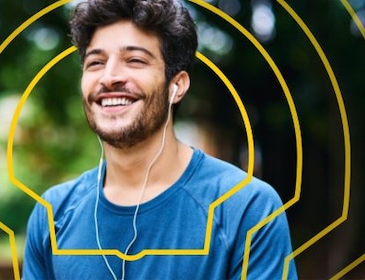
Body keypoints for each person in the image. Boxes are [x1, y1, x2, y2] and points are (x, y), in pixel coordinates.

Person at [22, 0, 297, 279]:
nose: (110, 77)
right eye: (96, 62)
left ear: (176, 86)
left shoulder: (245, 208)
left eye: (135, 60)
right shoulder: (53, 214)